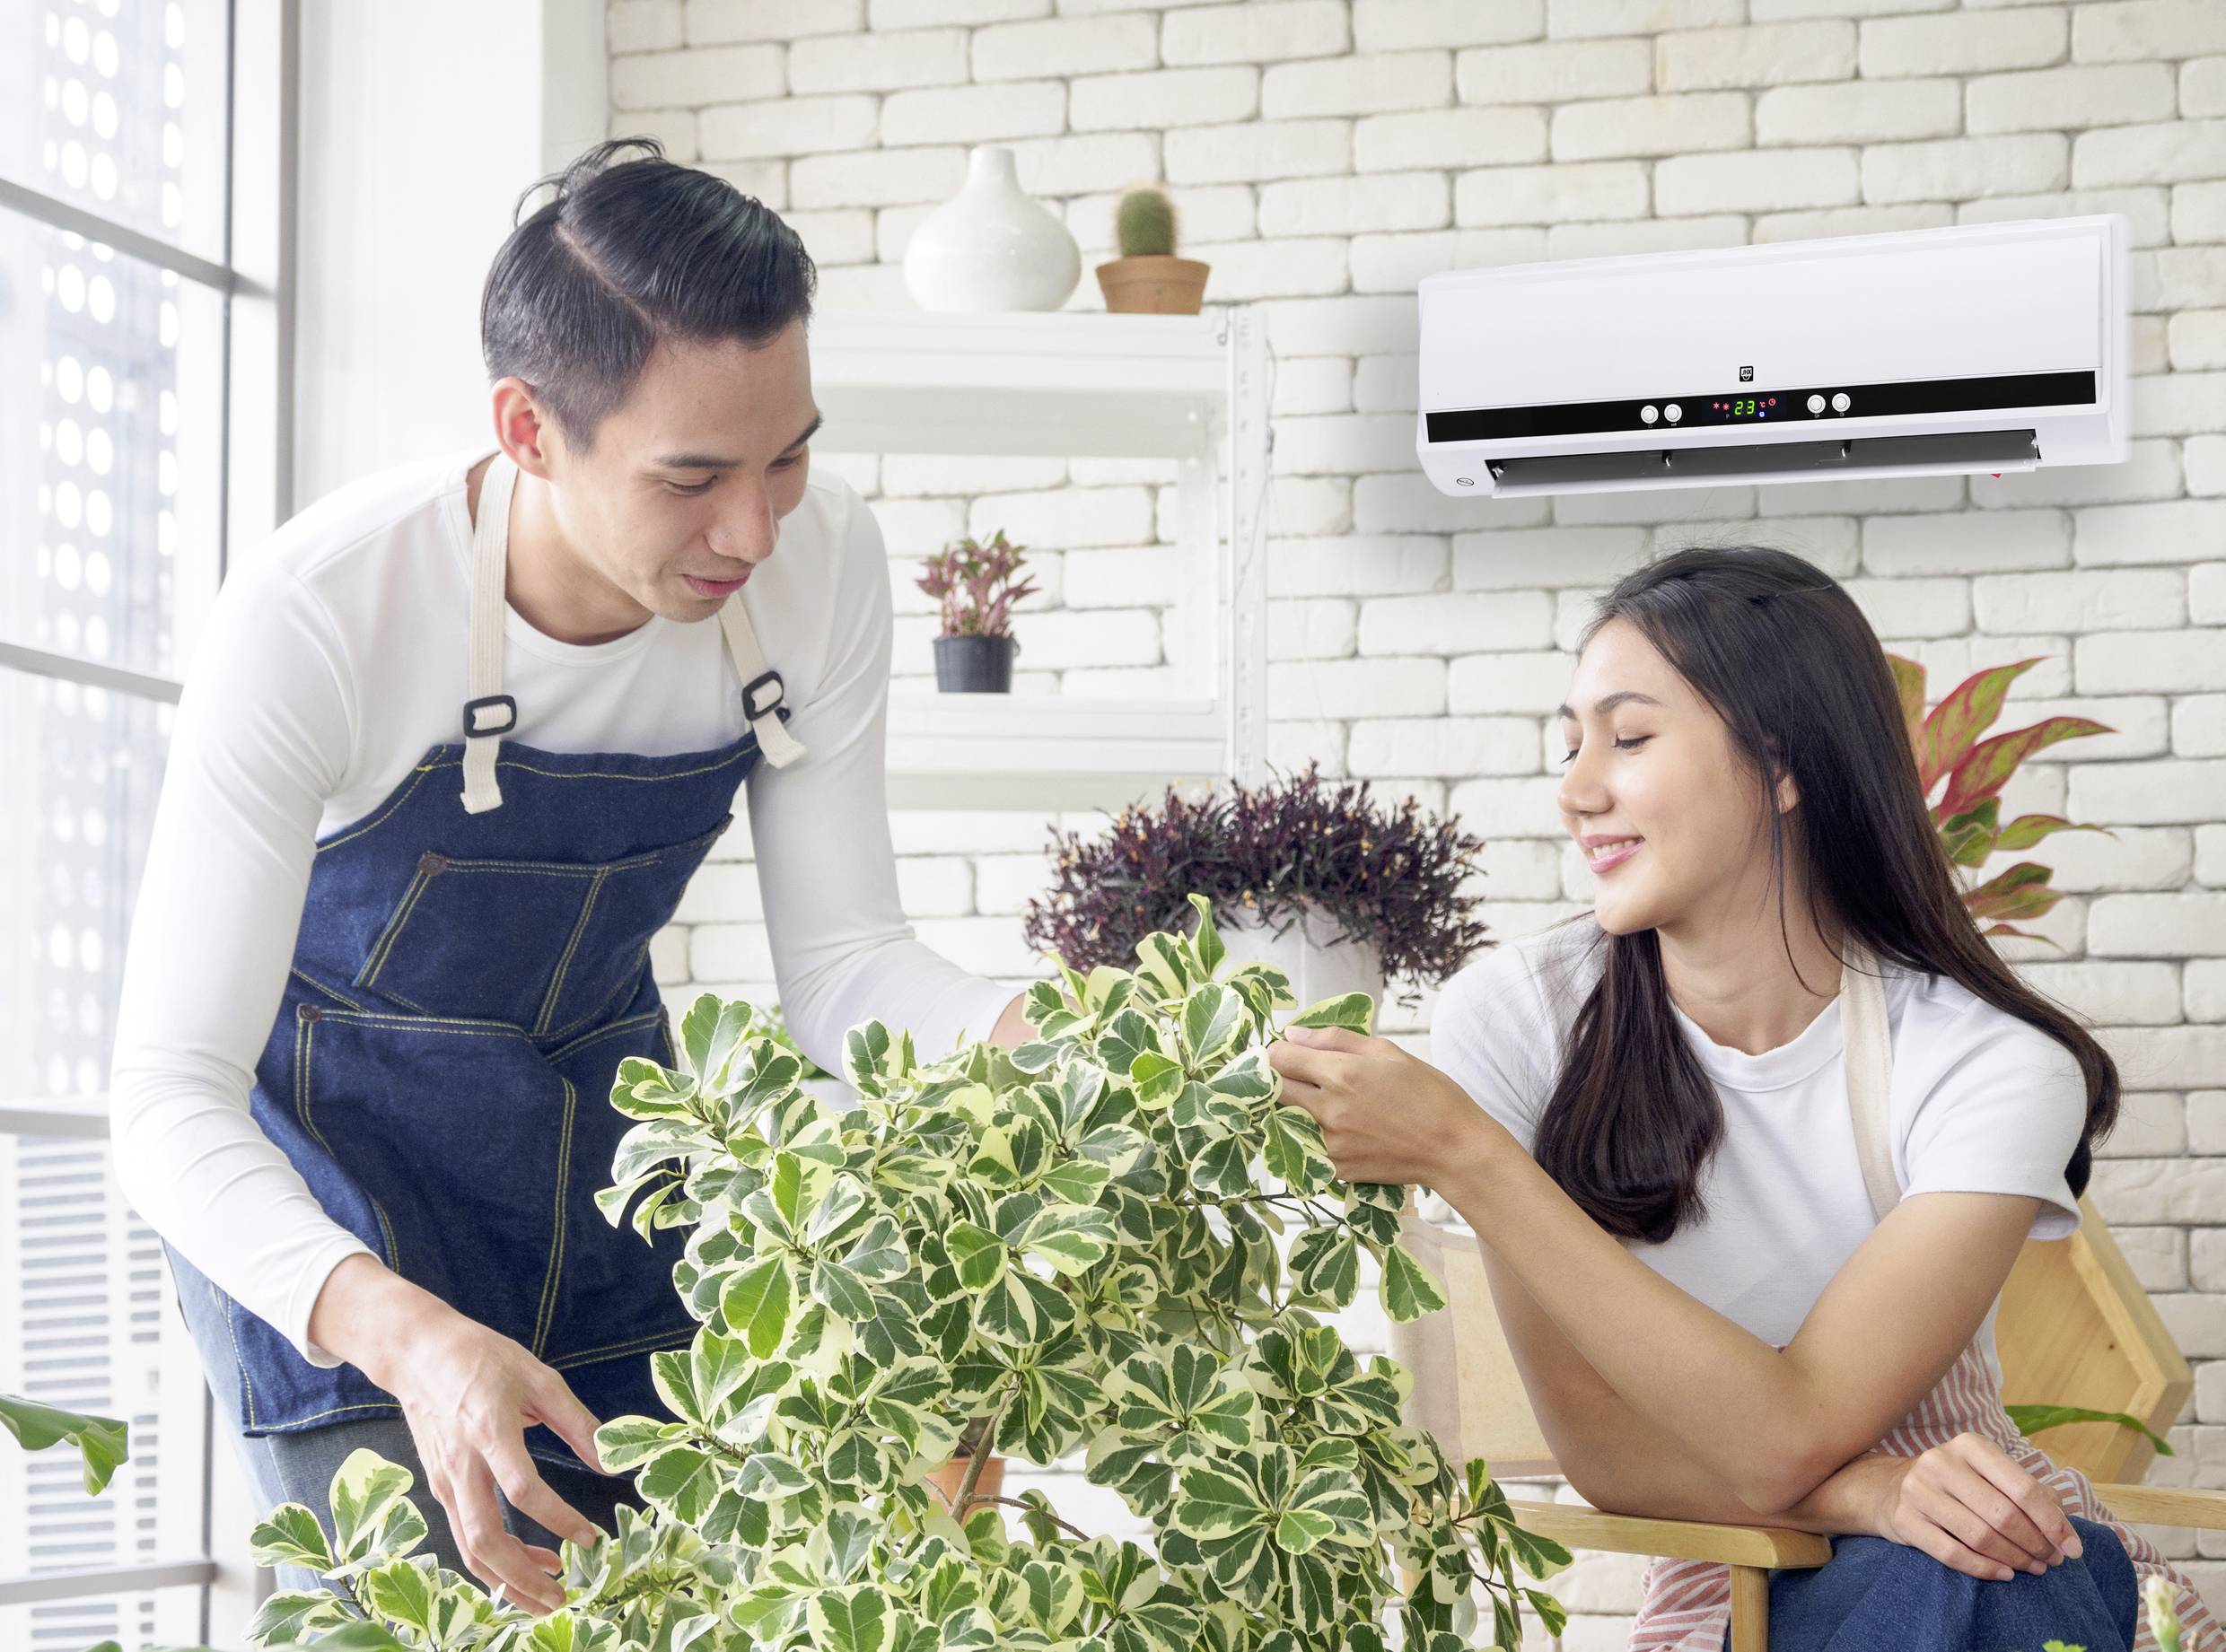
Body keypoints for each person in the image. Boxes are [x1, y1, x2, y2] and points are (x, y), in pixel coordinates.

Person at [109, 139, 1033, 1613]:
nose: (754, 528)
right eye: (692, 477)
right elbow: (162, 1095)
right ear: (528, 428)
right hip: (332, 1216)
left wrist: (1048, 1042)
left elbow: (850, 971)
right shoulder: (323, 612)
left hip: (608, 1180)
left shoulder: (819, 563)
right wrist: (406, 1336)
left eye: (787, 453)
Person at [1268, 546, 2219, 1651]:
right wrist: (1867, 1491)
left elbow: (1791, 1431)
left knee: (1972, 1577)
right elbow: (1604, 1452)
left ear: (1780, 764)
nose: (1576, 790)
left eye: (1626, 739)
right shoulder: (1522, 1020)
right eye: (1569, 743)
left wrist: (1471, 1159)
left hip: (1987, 1550)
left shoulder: (1984, 1061)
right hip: (1740, 1575)